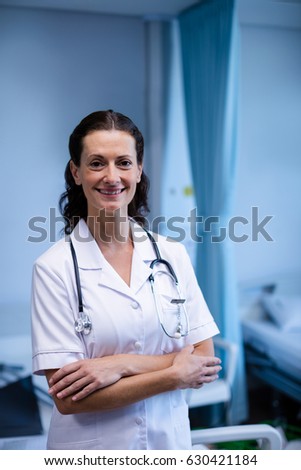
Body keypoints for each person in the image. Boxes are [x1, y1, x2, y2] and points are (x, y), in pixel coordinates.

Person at [31, 110, 221, 450]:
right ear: (76, 172)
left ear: (138, 168)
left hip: (168, 446)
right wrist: (173, 373)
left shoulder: (172, 254)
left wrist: (120, 364)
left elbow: (205, 360)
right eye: (96, 163)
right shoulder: (53, 268)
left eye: (123, 162)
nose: (111, 176)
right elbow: (69, 399)